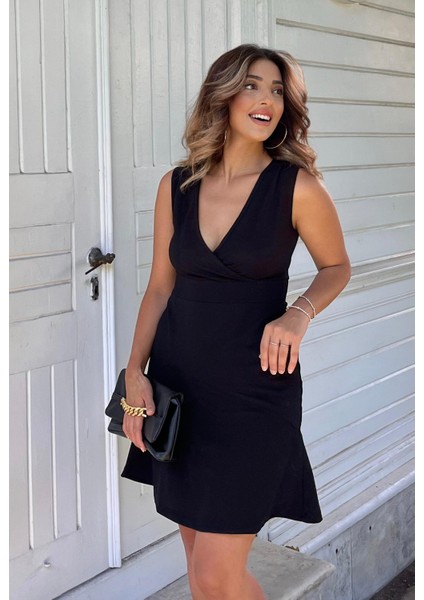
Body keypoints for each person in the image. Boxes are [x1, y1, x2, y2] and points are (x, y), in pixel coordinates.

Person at [121, 44, 351, 600]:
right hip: (179, 390)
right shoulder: (176, 186)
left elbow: (337, 267)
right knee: (198, 563)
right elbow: (160, 286)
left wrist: (298, 314)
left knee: (214, 574)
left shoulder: (296, 186)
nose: (266, 99)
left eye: (277, 90)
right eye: (252, 85)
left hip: (254, 395)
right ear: (222, 95)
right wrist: (134, 374)